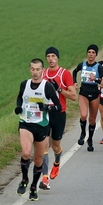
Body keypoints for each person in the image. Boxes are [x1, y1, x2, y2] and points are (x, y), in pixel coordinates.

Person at [14, 58, 61, 201]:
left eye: (38, 69)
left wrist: (47, 107)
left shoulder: (47, 87)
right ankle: (24, 180)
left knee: (39, 160)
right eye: (33, 69)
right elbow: (20, 98)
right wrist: (19, 107)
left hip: (41, 126)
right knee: (26, 153)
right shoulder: (25, 84)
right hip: (26, 124)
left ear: (42, 70)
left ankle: (33, 187)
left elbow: (58, 107)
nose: (35, 72)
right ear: (30, 70)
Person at [39, 47, 77, 190]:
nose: (50, 59)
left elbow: (73, 96)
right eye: (48, 56)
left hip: (59, 113)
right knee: (43, 145)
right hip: (44, 113)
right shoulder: (42, 74)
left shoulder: (64, 74)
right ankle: (45, 178)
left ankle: (56, 162)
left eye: (53, 56)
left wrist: (59, 89)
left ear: (58, 58)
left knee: (55, 146)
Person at [73, 44, 103, 151]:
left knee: (92, 120)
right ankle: (83, 133)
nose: (91, 54)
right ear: (87, 53)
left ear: (96, 54)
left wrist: (95, 79)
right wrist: (74, 82)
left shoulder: (99, 67)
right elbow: (74, 71)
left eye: (93, 53)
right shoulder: (82, 65)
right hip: (83, 93)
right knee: (83, 115)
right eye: (89, 52)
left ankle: (90, 139)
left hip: (95, 94)